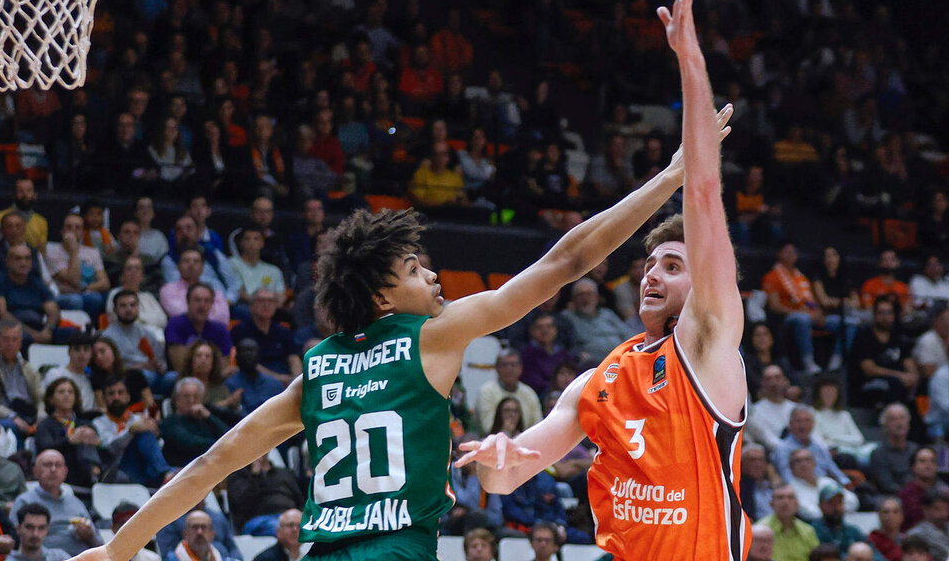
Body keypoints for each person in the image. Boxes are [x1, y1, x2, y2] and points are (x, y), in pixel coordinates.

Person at [78, 83, 694, 561]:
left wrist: (119, 548)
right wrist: (667, 178)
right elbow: (567, 260)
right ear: (379, 296)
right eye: (413, 267)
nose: (433, 277)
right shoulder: (434, 336)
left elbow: (211, 464)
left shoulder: (315, 372)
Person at [455, 0, 748, 559]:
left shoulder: (711, 346)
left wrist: (689, 58)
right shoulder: (602, 377)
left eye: (673, 265)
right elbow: (505, 477)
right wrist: (500, 456)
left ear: (706, 284)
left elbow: (702, 193)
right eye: (651, 264)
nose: (652, 273)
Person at [9, 450, 97, 557]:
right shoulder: (25, 502)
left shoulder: (75, 502)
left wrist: (89, 536)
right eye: (47, 465)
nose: (53, 470)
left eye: (58, 465)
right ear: (35, 471)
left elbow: (99, 543)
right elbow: (13, 540)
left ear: (65, 472)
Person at [90, 376, 170, 487]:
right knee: (142, 433)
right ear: (104, 399)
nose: (116, 397)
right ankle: (164, 473)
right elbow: (108, 449)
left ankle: (165, 474)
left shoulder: (138, 419)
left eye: (120, 392)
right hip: (117, 469)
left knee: (145, 433)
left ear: (128, 397)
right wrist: (130, 431)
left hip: (144, 468)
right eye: (111, 394)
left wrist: (155, 434)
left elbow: (157, 445)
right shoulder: (97, 423)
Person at [762, 241, 827, 373]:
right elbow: (775, 306)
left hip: (809, 315)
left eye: (794, 252)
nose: (791, 254)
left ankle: (835, 363)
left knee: (845, 323)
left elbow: (812, 301)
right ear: (779, 254)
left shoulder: (801, 277)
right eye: (787, 251)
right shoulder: (772, 277)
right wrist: (802, 313)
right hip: (786, 318)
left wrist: (818, 313)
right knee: (802, 319)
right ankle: (808, 362)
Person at [0, 244, 64, 344]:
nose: (23, 263)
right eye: (18, 259)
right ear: (8, 262)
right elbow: (2, 315)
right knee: (21, 338)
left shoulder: (38, 284)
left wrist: (48, 330)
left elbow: (53, 311)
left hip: (39, 328)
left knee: (72, 334)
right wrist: (34, 335)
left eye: (27, 259)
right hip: (11, 329)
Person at [848, 296, 918, 408]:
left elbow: (908, 360)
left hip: (897, 380)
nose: (885, 317)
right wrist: (900, 376)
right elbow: (869, 369)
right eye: (881, 313)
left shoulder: (898, 336)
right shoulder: (864, 335)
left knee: (922, 383)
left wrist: (912, 376)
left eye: (889, 313)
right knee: (893, 384)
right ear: (874, 315)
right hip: (867, 383)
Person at [556, 277, 636, 368]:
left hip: (622, 360)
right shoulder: (568, 317)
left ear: (597, 297)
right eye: (581, 295)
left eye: (589, 294)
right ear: (573, 299)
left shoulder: (607, 313)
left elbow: (629, 335)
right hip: (593, 365)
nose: (585, 298)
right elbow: (570, 346)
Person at [34, 377, 101, 487]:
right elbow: (44, 448)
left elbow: (101, 448)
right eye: (61, 392)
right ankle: (93, 474)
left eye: (70, 392)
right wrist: (69, 441)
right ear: (51, 399)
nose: (66, 395)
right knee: (80, 438)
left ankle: (95, 472)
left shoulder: (85, 423)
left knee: (85, 433)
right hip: (59, 469)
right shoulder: (45, 425)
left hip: (85, 471)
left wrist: (98, 443)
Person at [45, 213, 110, 320]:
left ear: (83, 232)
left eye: (78, 227)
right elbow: (74, 280)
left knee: (96, 298)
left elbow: (104, 283)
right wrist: (74, 252)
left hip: (84, 293)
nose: (73, 230)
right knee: (75, 300)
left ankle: (90, 330)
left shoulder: (92, 252)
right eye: (69, 227)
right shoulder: (52, 252)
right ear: (62, 231)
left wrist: (84, 289)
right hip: (62, 296)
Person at [230, 288, 301, 385]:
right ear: (251, 306)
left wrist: (296, 379)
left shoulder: (283, 331)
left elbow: (293, 357)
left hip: (286, 380)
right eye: (261, 301)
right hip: (254, 381)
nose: (266, 305)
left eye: (270, 301)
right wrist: (276, 379)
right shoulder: (240, 331)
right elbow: (248, 363)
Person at [224, 450, 304, 536]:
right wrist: (254, 475)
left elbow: (300, 500)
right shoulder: (238, 476)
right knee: (286, 529)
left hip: (290, 516)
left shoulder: (285, 473)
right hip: (258, 520)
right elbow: (238, 505)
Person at [160, 377, 231, 467]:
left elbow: (228, 435)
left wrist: (209, 417)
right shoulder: (170, 422)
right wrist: (220, 446)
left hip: (214, 465)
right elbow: (190, 443)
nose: (191, 401)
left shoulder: (205, 418)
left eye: (196, 397)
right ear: (177, 400)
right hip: (186, 469)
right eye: (186, 396)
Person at [772, 406, 851, 487]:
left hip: (825, 487)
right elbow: (787, 478)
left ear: (813, 424)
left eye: (807, 421)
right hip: (801, 490)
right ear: (790, 424)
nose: (803, 425)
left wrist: (846, 484)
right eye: (798, 421)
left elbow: (834, 470)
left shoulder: (819, 447)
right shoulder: (782, 449)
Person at [165, 283, 234, 373]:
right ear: (188, 302)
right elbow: (180, 366)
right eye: (197, 300)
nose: (202, 305)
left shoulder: (220, 329)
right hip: (183, 379)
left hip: (214, 379)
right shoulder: (176, 324)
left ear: (212, 304)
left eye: (207, 301)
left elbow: (225, 366)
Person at [99, 290, 166, 382]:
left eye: (133, 305)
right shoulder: (107, 337)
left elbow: (160, 359)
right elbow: (110, 369)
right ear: (115, 310)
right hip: (125, 378)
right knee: (146, 376)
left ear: (138, 308)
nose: (129, 309)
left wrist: (160, 366)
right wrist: (140, 367)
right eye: (123, 306)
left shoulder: (147, 333)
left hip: (153, 373)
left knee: (172, 377)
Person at [0, 210, 55, 291]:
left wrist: (53, 297)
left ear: (24, 229)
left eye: (18, 226)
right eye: (9, 226)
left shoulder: (33, 251)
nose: (14, 230)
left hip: (36, 296)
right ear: (2, 230)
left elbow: (47, 280)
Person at [160, 246, 234, 324]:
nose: (191, 265)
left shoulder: (214, 288)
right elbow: (180, 315)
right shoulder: (168, 290)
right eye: (186, 261)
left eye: (196, 261)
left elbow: (223, 317)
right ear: (178, 266)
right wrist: (211, 314)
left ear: (202, 268)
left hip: (213, 333)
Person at [474, 350, 543, 433]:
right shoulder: (486, 391)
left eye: (513, 365)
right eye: (504, 365)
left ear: (520, 368)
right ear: (497, 368)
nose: (509, 369)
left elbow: (538, 426)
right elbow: (488, 427)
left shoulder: (529, 393)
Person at [785, 450, 859, 521]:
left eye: (807, 460)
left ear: (814, 464)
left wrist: (832, 511)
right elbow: (811, 514)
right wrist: (837, 510)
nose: (803, 464)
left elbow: (853, 501)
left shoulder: (826, 481)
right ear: (791, 467)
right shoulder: (790, 489)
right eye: (798, 461)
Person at [226, 225, 287, 306]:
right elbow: (238, 292)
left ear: (262, 243)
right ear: (241, 243)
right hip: (244, 307)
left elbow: (281, 296)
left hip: (270, 308)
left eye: (256, 239)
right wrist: (262, 304)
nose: (252, 243)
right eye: (247, 239)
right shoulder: (231, 263)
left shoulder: (274, 270)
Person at [757, 485, 820, 561]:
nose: (785, 502)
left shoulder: (808, 531)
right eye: (780, 498)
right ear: (771, 504)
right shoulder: (759, 531)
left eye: (790, 498)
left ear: (797, 504)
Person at [869, 404, 920, 496]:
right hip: (895, 499)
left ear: (908, 423)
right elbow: (887, 485)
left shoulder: (917, 450)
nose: (899, 423)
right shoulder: (879, 454)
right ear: (885, 425)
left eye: (902, 418)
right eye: (893, 419)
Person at [519, 314, 576, 396]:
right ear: (532, 331)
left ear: (555, 330)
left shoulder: (564, 354)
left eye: (549, 327)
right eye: (540, 327)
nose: (545, 331)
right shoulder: (526, 354)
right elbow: (533, 382)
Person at [40, 334, 97, 412]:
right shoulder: (55, 374)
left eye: (86, 350)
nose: (82, 354)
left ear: (91, 354)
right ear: (69, 352)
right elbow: (42, 403)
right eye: (77, 349)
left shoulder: (90, 381)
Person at [224, 338, 281, 414]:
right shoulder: (229, 385)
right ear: (237, 357)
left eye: (252, 351)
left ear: (259, 356)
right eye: (244, 351)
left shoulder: (274, 385)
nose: (248, 355)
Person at [0, 178, 49, 255]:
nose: (25, 194)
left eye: (28, 190)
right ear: (14, 195)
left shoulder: (42, 222)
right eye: (20, 191)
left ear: (35, 195)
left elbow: (41, 253)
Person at [899, 448, 949, 530]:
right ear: (913, 467)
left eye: (932, 461)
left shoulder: (945, 492)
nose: (928, 465)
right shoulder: (905, 494)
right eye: (922, 461)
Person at [740, 443, 781, 522]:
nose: (757, 464)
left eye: (761, 460)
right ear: (742, 464)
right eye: (752, 460)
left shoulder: (771, 485)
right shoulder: (739, 488)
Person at [905, 491, 949, 561]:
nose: (943, 513)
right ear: (925, 510)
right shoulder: (916, 534)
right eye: (937, 509)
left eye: (946, 509)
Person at [868, 496, 906, 561]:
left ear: (902, 516)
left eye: (895, 512)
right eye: (886, 512)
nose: (890, 516)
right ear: (879, 515)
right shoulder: (872, 540)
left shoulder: (908, 540)